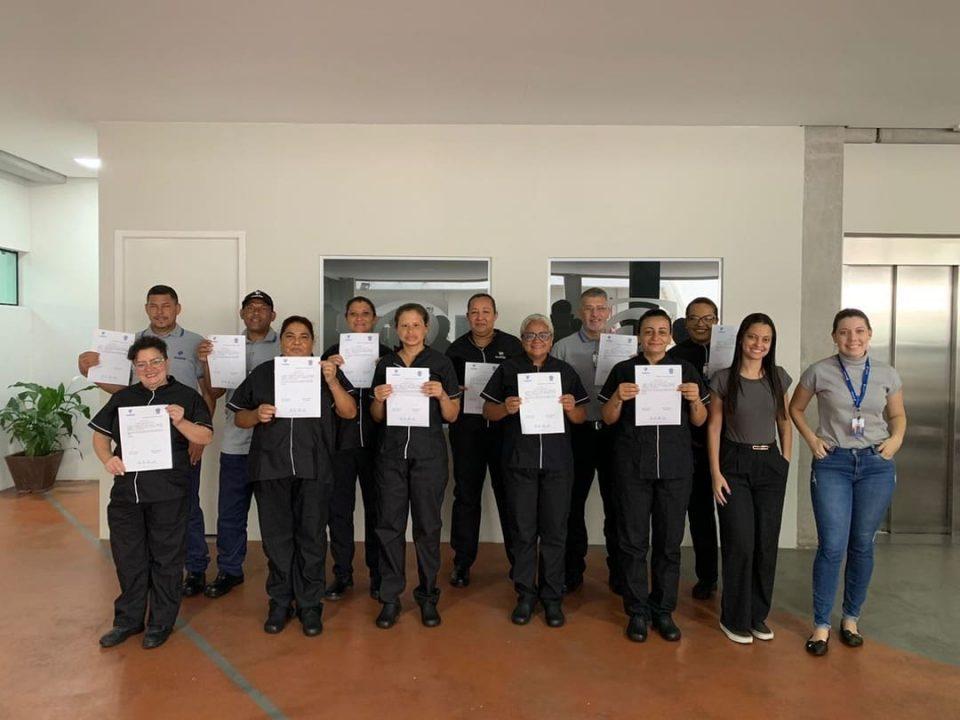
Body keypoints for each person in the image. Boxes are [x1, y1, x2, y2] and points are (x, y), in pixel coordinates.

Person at [79, 284, 213, 597]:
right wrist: (89, 371)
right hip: (138, 447)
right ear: (146, 309)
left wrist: (197, 437)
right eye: (153, 306)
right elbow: (122, 393)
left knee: (187, 507)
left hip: (182, 442)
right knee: (142, 516)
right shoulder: (130, 344)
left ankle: (195, 568)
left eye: (166, 305)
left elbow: (207, 392)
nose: (160, 311)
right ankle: (155, 575)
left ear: (178, 308)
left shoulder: (196, 343)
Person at [228, 316, 356, 636]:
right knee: (277, 540)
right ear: (281, 341)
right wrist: (256, 415)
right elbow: (239, 417)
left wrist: (332, 381)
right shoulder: (263, 373)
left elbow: (349, 411)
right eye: (290, 336)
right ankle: (280, 602)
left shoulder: (327, 372)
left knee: (312, 538)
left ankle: (310, 605)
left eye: (303, 336)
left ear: (312, 342)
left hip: (315, 468)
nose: (296, 342)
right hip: (271, 468)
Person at [789, 309, 906, 657]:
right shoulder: (819, 371)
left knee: (862, 545)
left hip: (875, 465)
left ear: (869, 334)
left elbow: (897, 415)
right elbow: (795, 409)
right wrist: (812, 440)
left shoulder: (886, 373)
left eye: (859, 331)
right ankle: (822, 624)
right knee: (832, 546)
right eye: (844, 332)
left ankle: (851, 619)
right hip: (833, 465)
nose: (852, 338)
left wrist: (896, 439)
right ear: (834, 336)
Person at [90, 336, 214, 650]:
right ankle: (128, 621)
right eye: (141, 364)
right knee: (129, 559)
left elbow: (205, 435)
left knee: (166, 560)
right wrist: (109, 460)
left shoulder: (186, 396)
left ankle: (160, 622)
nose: (149, 369)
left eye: (155, 361)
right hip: (126, 495)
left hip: (169, 494)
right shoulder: (123, 398)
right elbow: (100, 437)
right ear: (134, 367)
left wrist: (181, 420)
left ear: (167, 361)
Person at [600, 309, 707, 642]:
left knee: (669, 544)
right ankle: (637, 612)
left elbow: (701, 420)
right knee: (633, 542)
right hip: (633, 467)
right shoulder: (623, 370)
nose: (656, 337)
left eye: (662, 331)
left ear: (670, 336)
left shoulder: (685, 371)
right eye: (649, 331)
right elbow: (607, 417)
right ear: (639, 337)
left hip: (675, 468)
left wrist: (693, 401)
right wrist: (618, 396)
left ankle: (663, 611)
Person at [481, 314, 589, 627]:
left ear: (552, 339)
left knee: (555, 531)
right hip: (520, 462)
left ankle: (552, 597)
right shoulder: (509, 368)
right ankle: (526, 594)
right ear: (522, 339)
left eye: (543, 335)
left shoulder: (564, 371)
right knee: (523, 531)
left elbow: (582, 417)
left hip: (558, 464)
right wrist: (506, 408)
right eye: (530, 335)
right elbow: (488, 409)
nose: (537, 341)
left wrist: (571, 408)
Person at [370, 303, 461, 629]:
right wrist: (378, 399)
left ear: (426, 329)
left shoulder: (441, 363)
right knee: (389, 527)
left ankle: (427, 596)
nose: (410, 331)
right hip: (391, 456)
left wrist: (441, 396)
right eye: (404, 326)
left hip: (429, 458)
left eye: (416, 325)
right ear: (396, 329)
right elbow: (376, 418)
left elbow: (453, 415)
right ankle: (390, 599)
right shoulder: (386, 364)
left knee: (427, 528)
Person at [708, 313, 793, 645]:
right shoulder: (723, 379)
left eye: (766, 339)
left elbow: (784, 422)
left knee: (765, 543)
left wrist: (784, 461)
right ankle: (734, 617)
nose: (759, 344)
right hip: (734, 462)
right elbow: (713, 427)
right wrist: (715, 473)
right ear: (741, 339)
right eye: (753, 337)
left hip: (769, 462)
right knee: (740, 541)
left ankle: (757, 615)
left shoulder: (778, 377)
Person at [196, 290, 280, 599]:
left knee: (275, 513)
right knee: (231, 512)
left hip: (274, 446)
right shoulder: (224, 348)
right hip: (235, 442)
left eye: (263, 308)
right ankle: (230, 570)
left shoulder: (286, 346)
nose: (256, 312)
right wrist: (207, 362)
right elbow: (215, 391)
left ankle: (281, 570)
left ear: (273, 315)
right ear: (241, 313)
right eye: (250, 308)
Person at [445, 292, 523, 587]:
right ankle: (462, 563)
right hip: (468, 433)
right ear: (468, 317)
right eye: (475, 312)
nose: (480, 317)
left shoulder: (512, 346)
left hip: (505, 433)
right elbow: (446, 391)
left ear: (495, 315)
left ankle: (519, 562)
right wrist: (456, 391)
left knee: (511, 497)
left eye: (486, 311)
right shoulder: (455, 350)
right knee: (466, 497)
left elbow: (523, 381)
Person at [550, 287, 622, 594]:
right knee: (572, 504)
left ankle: (619, 572)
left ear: (608, 312)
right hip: (577, 433)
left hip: (614, 432)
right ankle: (572, 570)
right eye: (589, 309)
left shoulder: (625, 347)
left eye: (600, 308)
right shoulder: (563, 347)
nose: (595, 314)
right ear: (581, 313)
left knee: (618, 505)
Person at [321, 296, 393, 600]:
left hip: (379, 445)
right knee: (339, 511)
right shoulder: (330, 355)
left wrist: (384, 370)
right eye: (354, 314)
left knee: (379, 511)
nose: (360, 318)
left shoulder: (389, 355)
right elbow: (320, 400)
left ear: (374, 318)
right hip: (341, 444)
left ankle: (378, 575)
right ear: (346, 319)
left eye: (366, 313)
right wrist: (330, 373)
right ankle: (343, 574)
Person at [667, 297, 720, 600]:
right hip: (690, 444)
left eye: (708, 318)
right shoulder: (675, 356)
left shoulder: (733, 353)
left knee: (726, 515)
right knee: (698, 513)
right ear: (685, 323)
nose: (701, 324)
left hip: (726, 442)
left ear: (716, 320)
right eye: (695, 318)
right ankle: (707, 577)